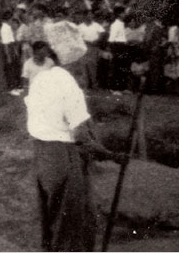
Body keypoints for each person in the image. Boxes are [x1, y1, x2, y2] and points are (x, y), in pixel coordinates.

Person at [25, 46, 124, 251]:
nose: (85, 73)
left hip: (42, 155)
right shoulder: (68, 84)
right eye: (83, 66)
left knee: (50, 219)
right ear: (75, 63)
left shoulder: (40, 79)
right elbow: (81, 137)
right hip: (64, 157)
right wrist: (111, 155)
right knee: (71, 222)